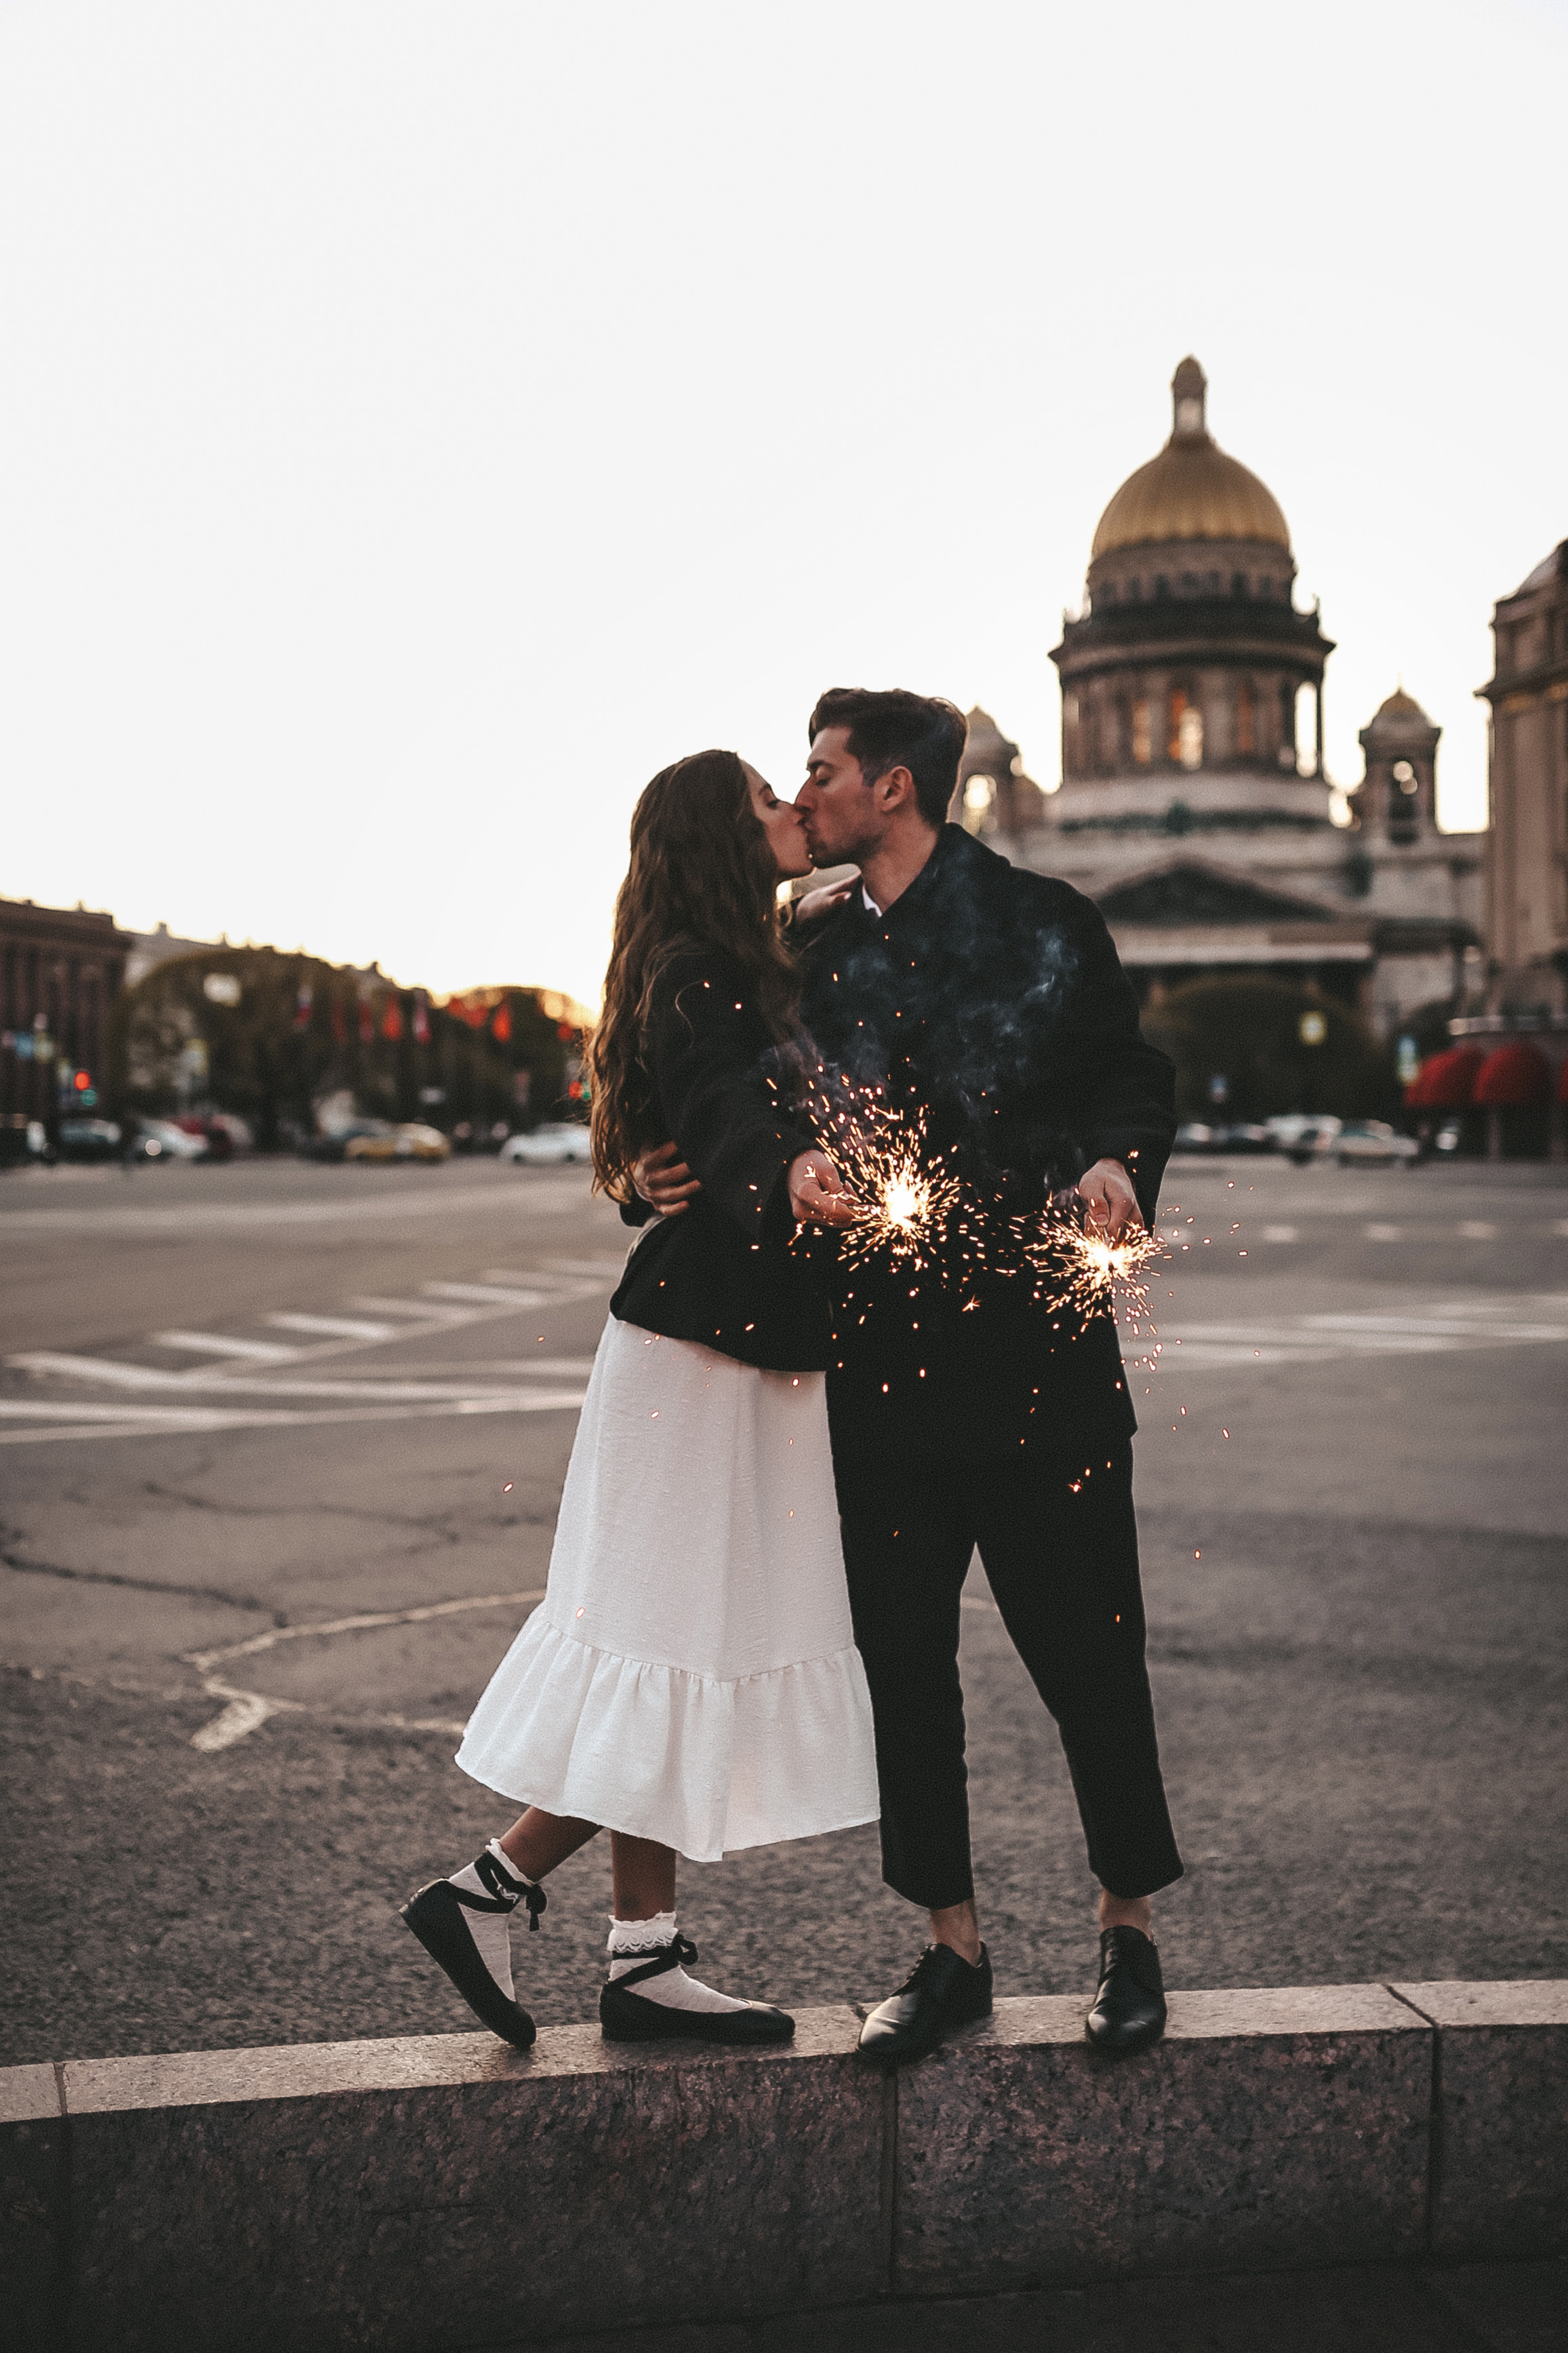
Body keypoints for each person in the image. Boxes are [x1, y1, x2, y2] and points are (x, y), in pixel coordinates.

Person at [638, 688, 1182, 2068]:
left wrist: (1120, 1160)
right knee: (904, 1678)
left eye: (817, 771)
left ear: (890, 788)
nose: (800, 794)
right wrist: (654, 1179)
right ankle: (950, 1948)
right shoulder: (797, 954)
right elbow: (712, 1099)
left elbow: (1131, 1073)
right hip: (872, 1376)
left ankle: (1124, 1928)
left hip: (1045, 1361)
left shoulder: (1046, 920)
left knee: (1088, 1658)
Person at [401, 748, 879, 2049]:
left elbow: (676, 1133)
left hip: (732, 1351)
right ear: (722, 842)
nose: (793, 809)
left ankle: (639, 1957)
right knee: (667, 1646)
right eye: (769, 803)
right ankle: (490, 1888)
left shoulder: (743, 954)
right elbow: (722, 1114)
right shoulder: (698, 971)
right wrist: (780, 1171)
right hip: (694, 1361)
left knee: (688, 1647)